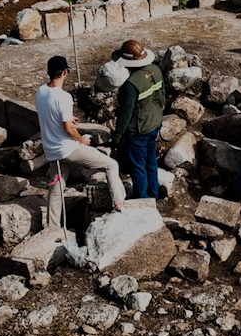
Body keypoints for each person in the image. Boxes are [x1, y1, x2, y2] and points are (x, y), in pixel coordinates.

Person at [34, 55, 126, 228]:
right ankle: (119, 204)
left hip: (52, 151)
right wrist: (81, 139)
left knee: (56, 187)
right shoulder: (64, 97)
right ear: (64, 72)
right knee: (111, 165)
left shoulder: (40, 92)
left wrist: (68, 118)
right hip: (68, 150)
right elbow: (69, 130)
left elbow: (49, 113)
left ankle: (52, 227)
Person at [113, 40, 165, 200]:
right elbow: (162, 96)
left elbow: (125, 114)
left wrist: (117, 137)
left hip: (138, 131)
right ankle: (153, 197)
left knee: (138, 168)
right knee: (151, 164)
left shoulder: (130, 84)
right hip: (154, 125)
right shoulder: (155, 70)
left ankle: (143, 202)